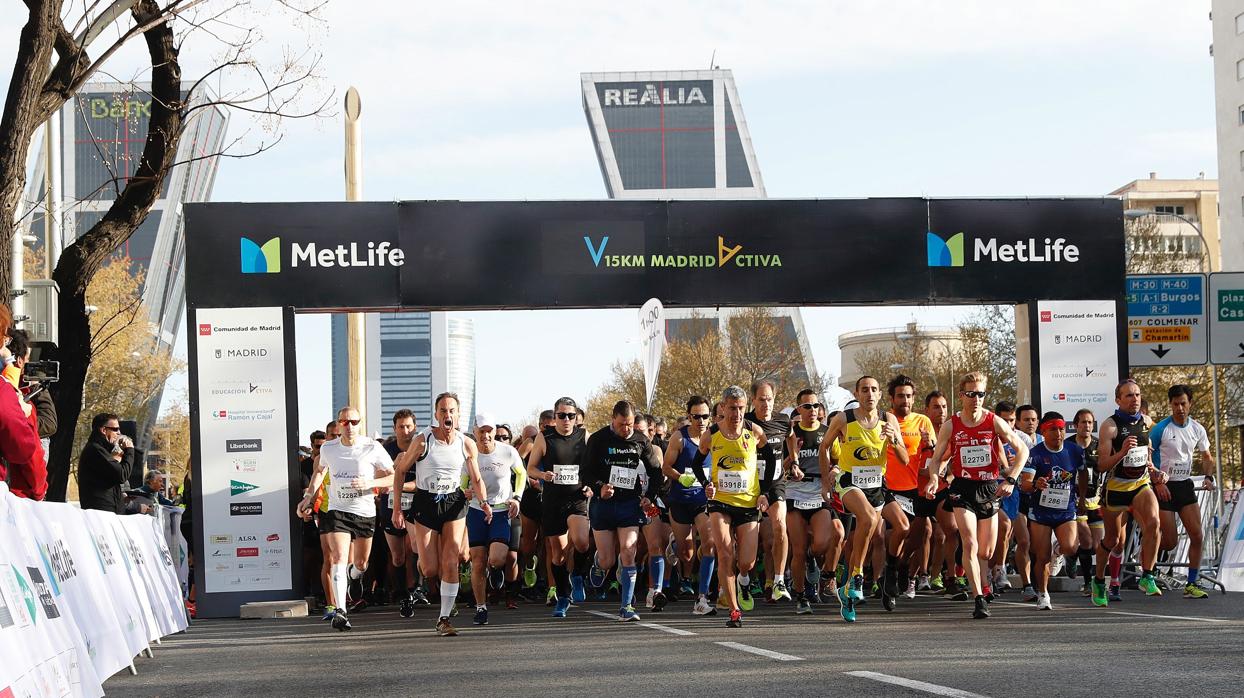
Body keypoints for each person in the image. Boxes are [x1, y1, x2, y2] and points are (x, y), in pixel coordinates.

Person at [922, 372, 1028, 620]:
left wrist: (1011, 478)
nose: (976, 399)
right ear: (961, 396)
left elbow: (1022, 449)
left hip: (989, 487)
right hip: (962, 488)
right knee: (969, 542)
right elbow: (937, 458)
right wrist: (934, 478)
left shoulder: (993, 421)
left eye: (980, 394)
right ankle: (979, 597)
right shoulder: (951, 424)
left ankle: (984, 580)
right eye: (971, 394)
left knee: (986, 552)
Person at [391, 393, 490, 636]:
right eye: (443, 411)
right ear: (436, 414)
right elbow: (401, 472)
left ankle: (444, 618)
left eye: (452, 411)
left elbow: (476, 477)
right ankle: (431, 576)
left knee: (450, 561)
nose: (448, 415)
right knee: (430, 568)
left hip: (453, 503)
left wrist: (484, 502)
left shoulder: (466, 443)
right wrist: (396, 509)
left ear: (458, 415)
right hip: (426, 503)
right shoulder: (423, 440)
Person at [298, 406, 394, 631]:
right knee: (338, 557)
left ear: (360, 424)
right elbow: (320, 472)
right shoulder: (329, 448)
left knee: (361, 563)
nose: (349, 426)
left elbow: (392, 476)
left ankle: (355, 575)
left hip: (364, 512)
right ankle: (340, 610)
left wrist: (370, 483)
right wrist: (309, 495)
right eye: (344, 422)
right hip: (337, 511)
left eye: (353, 422)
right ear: (338, 424)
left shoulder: (373, 447)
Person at [822, 376, 908, 622]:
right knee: (869, 519)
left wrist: (893, 440)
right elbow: (824, 447)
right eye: (864, 390)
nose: (869, 394)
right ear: (857, 394)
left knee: (871, 531)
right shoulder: (844, 419)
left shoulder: (888, 420)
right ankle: (858, 575)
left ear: (880, 394)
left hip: (876, 484)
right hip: (849, 481)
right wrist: (826, 482)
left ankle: (848, 589)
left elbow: (903, 458)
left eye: (873, 390)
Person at [689, 386, 774, 628]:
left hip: (748, 502)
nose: (736, 414)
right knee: (726, 554)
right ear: (723, 408)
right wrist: (707, 484)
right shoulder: (711, 435)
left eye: (740, 408)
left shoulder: (754, 432)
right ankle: (734, 610)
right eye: (732, 408)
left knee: (745, 562)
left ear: (745, 408)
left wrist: (765, 493)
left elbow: (769, 458)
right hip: (720, 502)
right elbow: (697, 464)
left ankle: (744, 579)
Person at [583, 400, 663, 621]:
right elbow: (585, 472)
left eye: (629, 424)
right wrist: (600, 488)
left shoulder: (640, 440)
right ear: (612, 419)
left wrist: (650, 497)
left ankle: (626, 606)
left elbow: (656, 472)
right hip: (604, 504)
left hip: (630, 503)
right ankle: (599, 563)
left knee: (629, 550)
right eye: (621, 425)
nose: (626, 429)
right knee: (609, 560)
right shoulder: (598, 439)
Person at [1092, 379, 1165, 606]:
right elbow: (1102, 465)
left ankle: (1148, 576)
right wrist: (1122, 452)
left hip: (1140, 484)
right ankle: (1098, 580)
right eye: (1129, 396)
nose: (1135, 399)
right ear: (1118, 400)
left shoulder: (1146, 421)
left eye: (1137, 395)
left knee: (1153, 523)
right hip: (1116, 488)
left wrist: (1155, 471)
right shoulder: (1109, 426)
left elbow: (1146, 455)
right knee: (1113, 540)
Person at [526, 397, 592, 618]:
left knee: (582, 542)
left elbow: (594, 468)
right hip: (553, 501)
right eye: (561, 415)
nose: (566, 420)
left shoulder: (585, 436)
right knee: (558, 555)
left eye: (571, 416)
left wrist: (592, 486)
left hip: (577, 498)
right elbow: (530, 468)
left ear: (576, 418)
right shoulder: (545, 438)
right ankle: (563, 597)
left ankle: (579, 576)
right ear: (554, 418)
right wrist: (543, 475)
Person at [1151, 384, 1214, 599]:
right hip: (1163, 487)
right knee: (1170, 542)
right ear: (1171, 405)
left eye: (1183, 404)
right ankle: (1147, 558)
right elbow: (1147, 457)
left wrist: (1208, 477)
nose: (1179, 408)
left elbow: (1207, 457)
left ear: (1190, 404)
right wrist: (1157, 482)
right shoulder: (1161, 429)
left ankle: (1192, 583)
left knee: (1197, 535)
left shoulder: (1197, 428)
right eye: (1175, 404)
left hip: (1184, 484)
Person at [1020, 411, 1085, 610]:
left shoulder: (1074, 451)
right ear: (1044, 432)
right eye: (1053, 430)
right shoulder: (1035, 453)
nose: (1058, 433)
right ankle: (1043, 594)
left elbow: (1082, 475)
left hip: (1066, 510)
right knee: (1042, 556)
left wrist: (1082, 498)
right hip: (1041, 513)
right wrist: (1035, 484)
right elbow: (1025, 484)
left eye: (1061, 429)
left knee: (1071, 548)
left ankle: (1061, 551)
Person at [784, 389, 842, 615]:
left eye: (816, 406)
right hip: (795, 492)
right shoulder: (791, 432)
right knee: (797, 549)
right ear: (798, 409)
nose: (812, 410)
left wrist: (834, 470)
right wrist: (793, 460)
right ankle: (801, 596)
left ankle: (813, 560)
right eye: (807, 406)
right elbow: (780, 467)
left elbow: (838, 459)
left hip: (819, 491)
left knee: (822, 542)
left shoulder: (827, 432)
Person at [467, 413, 525, 625]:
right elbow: (463, 481)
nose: (486, 435)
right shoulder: (468, 453)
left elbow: (521, 474)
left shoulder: (507, 451)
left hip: (501, 511)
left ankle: (496, 571)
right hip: (476, 511)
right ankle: (481, 607)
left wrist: (517, 498)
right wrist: (465, 490)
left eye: (489, 431)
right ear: (475, 432)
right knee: (478, 562)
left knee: (497, 559)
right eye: (481, 431)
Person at [881, 375, 934, 603]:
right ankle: (887, 573)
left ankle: (899, 565)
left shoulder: (923, 421)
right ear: (892, 398)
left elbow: (931, 458)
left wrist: (928, 444)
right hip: (885, 487)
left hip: (913, 488)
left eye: (909, 396)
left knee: (917, 535)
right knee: (895, 532)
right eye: (901, 396)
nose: (905, 400)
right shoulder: (883, 421)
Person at [663, 396, 716, 615]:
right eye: (696, 416)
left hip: (703, 500)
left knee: (710, 543)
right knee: (686, 555)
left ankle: (702, 598)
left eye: (705, 416)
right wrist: (679, 477)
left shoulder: (716, 437)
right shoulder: (679, 438)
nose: (701, 421)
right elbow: (665, 467)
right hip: (681, 500)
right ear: (689, 417)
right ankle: (674, 545)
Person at [745, 380, 792, 604]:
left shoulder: (783, 421)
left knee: (780, 526)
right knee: (748, 538)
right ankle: (743, 579)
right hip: (749, 484)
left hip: (775, 483)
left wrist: (794, 460)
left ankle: (779, 581)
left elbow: (791, 437)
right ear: (753, 400)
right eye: (761, 400)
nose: (766, 404)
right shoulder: (745, 423)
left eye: (770, 399)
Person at [911, 390, 952, 593]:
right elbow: (910, 465)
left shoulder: (951, 432)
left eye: (944, 407)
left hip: (941, 489)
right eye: (936, 407)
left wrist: (944, 475)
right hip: (918, 491)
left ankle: (939, 577)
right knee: (921, 534)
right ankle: (917, 575)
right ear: (926, 410)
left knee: (943, 533)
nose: (941, 411)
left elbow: (952, 466)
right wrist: (925, 471)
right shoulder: (919, 432)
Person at [1071, 409, 1104, 597]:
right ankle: (1087, 582)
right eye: (1083, 422)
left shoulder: (1099, 446)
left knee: (1097, 547)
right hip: (1075, 501)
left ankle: (1071, 554)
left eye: (1090, 422)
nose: (1087, 426)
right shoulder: (1068, 446)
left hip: (1095, 500)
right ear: (1076, 425)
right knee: (1087, 541)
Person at [77, 413, 134, 513]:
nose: (119, 433)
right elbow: (122, 475)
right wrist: (130, 450)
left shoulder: (103, 450)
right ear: (103, 430)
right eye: (115, 429)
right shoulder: (95, 450)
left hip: (109, 511)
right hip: (102, 513)